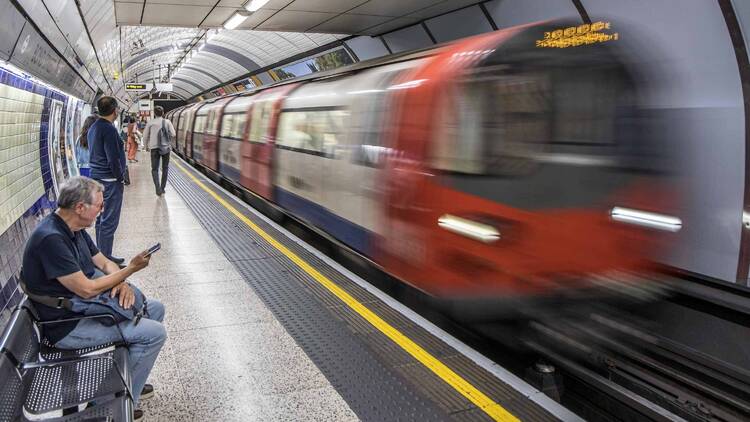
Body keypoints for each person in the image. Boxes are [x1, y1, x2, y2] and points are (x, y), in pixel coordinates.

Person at [22, 176, 166, 421]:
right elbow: (87, 289)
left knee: (155, 309)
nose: (103, 210)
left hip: (84, 310)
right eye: (99, 205)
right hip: (66, 325)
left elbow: (104, 263)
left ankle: (129, 383)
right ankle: (105, 405)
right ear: (80, 207)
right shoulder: (52, 239)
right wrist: (130, 269)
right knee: (154, 334)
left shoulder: (74, 229)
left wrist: (121, 282)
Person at [89, 96, 127, 264]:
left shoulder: (94, 127)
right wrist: (120, 178)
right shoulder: (109, 129)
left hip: (96, 178)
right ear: (115, 110)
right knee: (110, 220)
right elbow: (112, 158)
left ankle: (102, 255)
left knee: (101, 218)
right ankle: (105, 260)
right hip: (110, 181)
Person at [142, 106, 175, 196]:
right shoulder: (167, 122)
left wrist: (145, 146)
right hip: (166, 148)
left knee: (154, 169)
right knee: (165, 168)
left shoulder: (150, 122)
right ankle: (163, 188)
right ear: (163, 112)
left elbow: (145, 136)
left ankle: (157, 188)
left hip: (154, 148)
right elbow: (173, 134)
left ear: (155, 113)